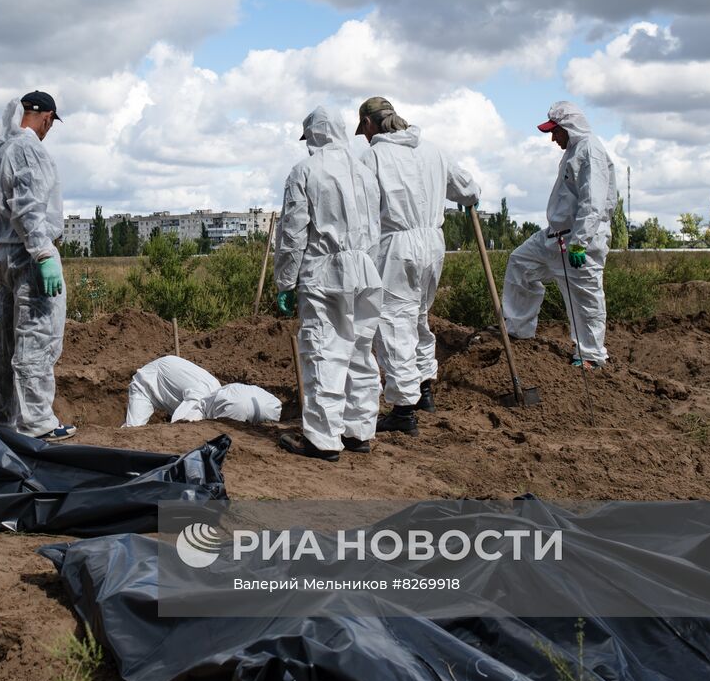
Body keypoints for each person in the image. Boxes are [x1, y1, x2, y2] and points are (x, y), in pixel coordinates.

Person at [356, 97, 479, 435]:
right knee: (418, 316)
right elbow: (468, 189)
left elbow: (360, 207)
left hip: (397, 245)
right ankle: (424, 388)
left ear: (369, 124)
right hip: (433, 244)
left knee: (393, 320)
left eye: (363, 130)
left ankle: (403, 409)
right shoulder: (434, 150)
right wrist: (469, 198)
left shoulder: (373, 156)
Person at [272, 106, 382, 462]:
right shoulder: (364, 172)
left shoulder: (305, 172)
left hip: (324, 272)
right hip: (365, 270)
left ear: (314, 135)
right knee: (361, 352)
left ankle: (322, 439)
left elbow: (292, 234)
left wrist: (285, 282)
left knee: (323, 351)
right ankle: (359, 431)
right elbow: (376, 228)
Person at [0, 90, 77, 440]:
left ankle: (0, 417)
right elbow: (28, 208)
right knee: (36, 338)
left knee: (3, 341)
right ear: (47, 117)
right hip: (29, 256)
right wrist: (45, 254)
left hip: (1, 254)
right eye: (51, 123)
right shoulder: (28, 149)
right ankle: (37, 422)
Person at [502, 101, 619, 368]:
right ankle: (519, 330)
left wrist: (580, 243)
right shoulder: (573, 151)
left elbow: (593, 203)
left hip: (581, 240)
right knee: (520, 263)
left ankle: (591, 356)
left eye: (556, 132)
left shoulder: (591, 151)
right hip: (555, 236)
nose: (553, 138)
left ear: (570, 127)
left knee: (584, 298)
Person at [124, 355, 282, 426]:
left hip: (169, 369)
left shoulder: (213, 390)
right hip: (146, 382)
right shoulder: (201, 398)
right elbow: (179, 425)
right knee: (133, 429)